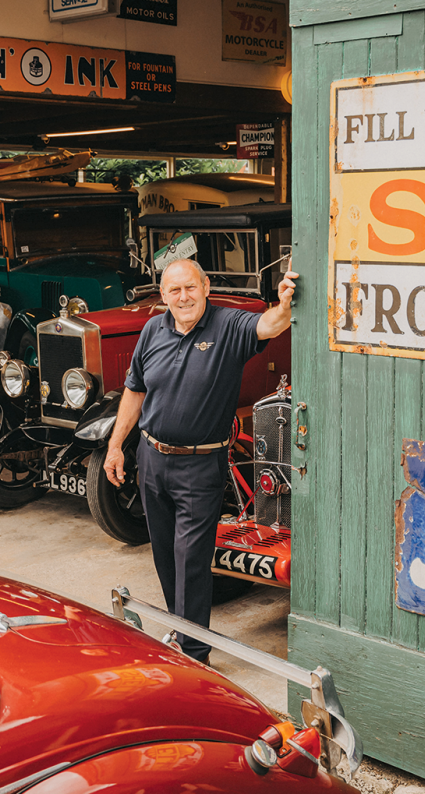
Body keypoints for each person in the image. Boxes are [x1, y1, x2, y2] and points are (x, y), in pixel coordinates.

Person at [103, 257, 297, 664]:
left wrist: (284, 303)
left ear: (206, 287)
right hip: (152, 458)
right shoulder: (153, 329)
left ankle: (194, 654)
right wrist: (116, 445)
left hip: (199, 465)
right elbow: (135, 391)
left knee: (191, 558)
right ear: (164, 295)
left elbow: (271, 324)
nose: (183, 296)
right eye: (174, 290)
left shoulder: (228, 326)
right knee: (164, 554)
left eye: (190, 287)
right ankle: (181, 627)